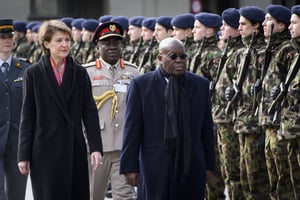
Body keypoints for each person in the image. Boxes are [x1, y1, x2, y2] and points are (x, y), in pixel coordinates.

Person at [17, 19, 103, 200]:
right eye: (59, 40)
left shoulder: (79, 73)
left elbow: (89, 112)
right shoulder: (33, 74)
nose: (65, 45)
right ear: (46, 44)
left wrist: (95, 147)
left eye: (67, 40)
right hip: (44, 153)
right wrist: (23, 155)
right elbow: (27, 116)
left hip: (74, 148)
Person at [120, 37, 216, 200]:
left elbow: (206, 128)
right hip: (155, 166)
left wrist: (209, 165)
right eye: (173, 56)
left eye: (183, 56)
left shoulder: (199, 84)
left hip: (191, 164)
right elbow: (132, 128)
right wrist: (129, 167)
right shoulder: (141, 85)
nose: (179, 61)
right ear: (159, 58)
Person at [85, 21, 139, 200]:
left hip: (123, 147)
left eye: (116, 43)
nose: (112, 47)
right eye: (107, 43)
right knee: (93, 194)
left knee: (125, 196)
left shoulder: (133, 72)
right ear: (98, 46)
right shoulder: (87, 73)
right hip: (95, 147)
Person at [226, 5, 270, 199]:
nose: (240, 27)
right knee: (243, 175)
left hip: (255, 124)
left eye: (244, 24)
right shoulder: (243, 53)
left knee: (256, 179)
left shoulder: (263, 53)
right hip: (242, 122)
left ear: (256, 26)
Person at [260, 5, 296, 199]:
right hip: (269, 121)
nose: (264, 24)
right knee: (273, 177)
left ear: (280, 25)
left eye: (269, 20)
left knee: (284, 178)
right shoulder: (270, 49)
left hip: (281, 123)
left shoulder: (287, 50)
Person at [212, 8, 245, 200]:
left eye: (226, 25)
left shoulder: (240, 53)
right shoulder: (229, 52)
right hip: (221, 117)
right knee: (226, 169)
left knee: (235, 171)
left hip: (232, 119)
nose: (222, 29)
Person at [0, 18, 30, 200]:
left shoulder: (25, 69)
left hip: (18, 142)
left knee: (17, 195)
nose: (7, 41)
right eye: (2, 37)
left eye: (9, 36)